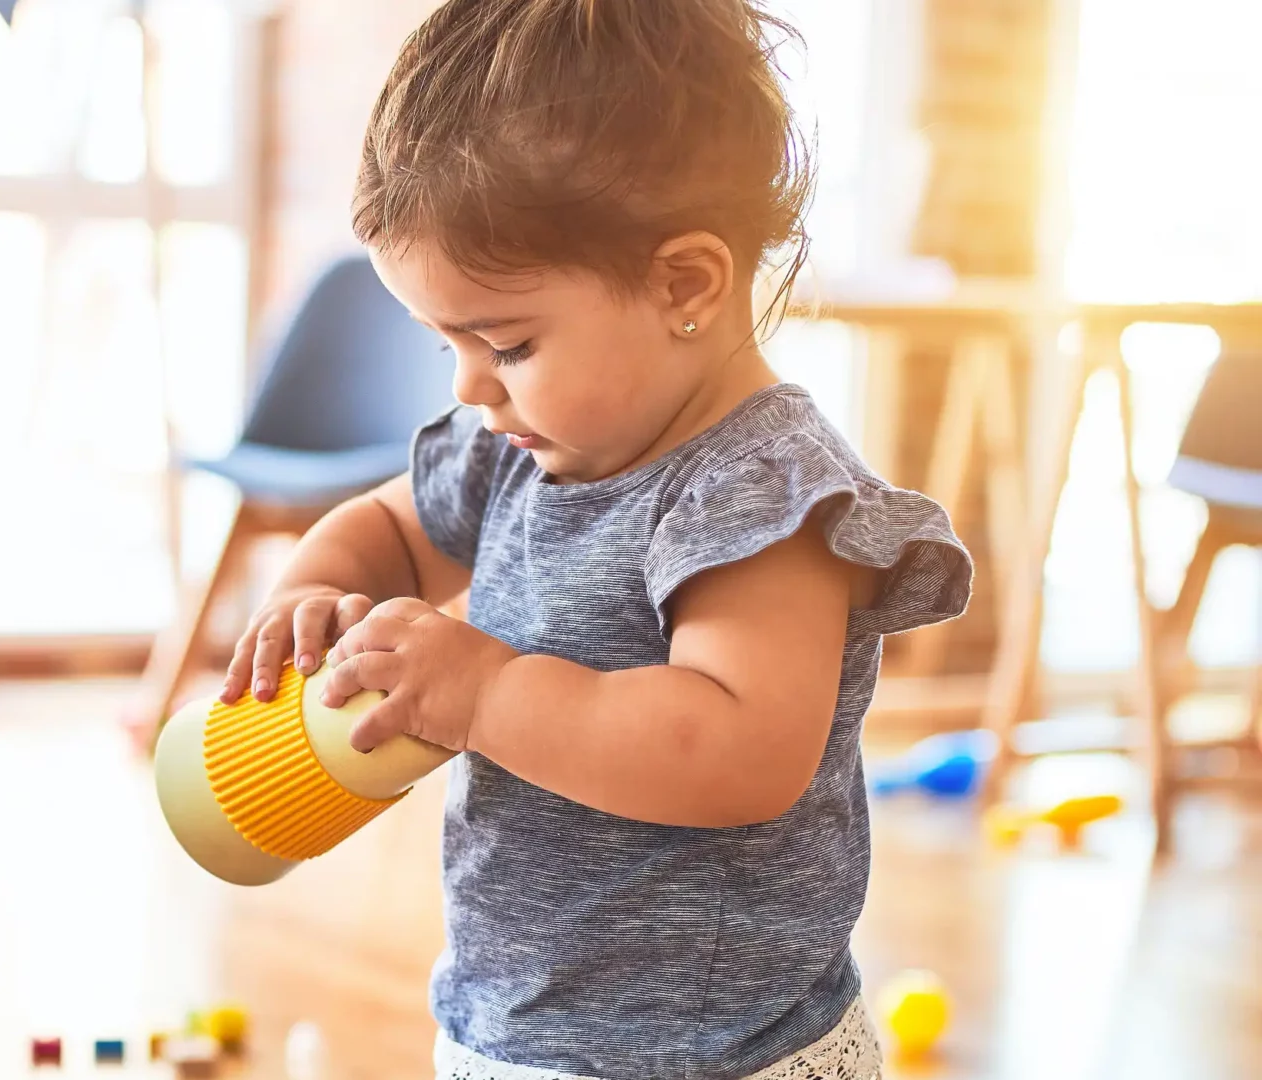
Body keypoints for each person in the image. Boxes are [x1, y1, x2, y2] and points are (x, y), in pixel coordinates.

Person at [217, 1, 974, 1077]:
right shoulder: (519, 446)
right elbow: (384, 526)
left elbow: (738, 751)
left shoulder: (759, 494)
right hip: (515, 1022)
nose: (469, 387)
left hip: (716, 1056)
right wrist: (314, 591)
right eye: (444, 342)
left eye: (508, 343)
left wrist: (488, 693)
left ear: (686, 286)